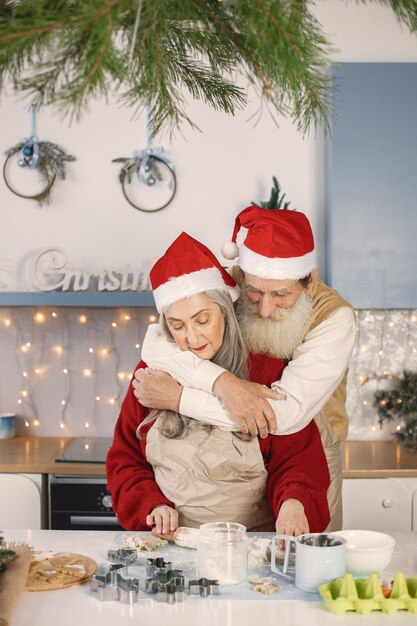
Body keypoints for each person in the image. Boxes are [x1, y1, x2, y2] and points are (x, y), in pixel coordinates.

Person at [133, 207, 356, 531]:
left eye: (281, 294)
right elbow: (157, 344)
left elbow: (283, 416)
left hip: (308, 447)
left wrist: (181, 399)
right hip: (233, 442)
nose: (264, 309)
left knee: (307, 553)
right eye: (254, 292)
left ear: (310, 279)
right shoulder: (228, 285)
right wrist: (224, 384)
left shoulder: (335, 318)